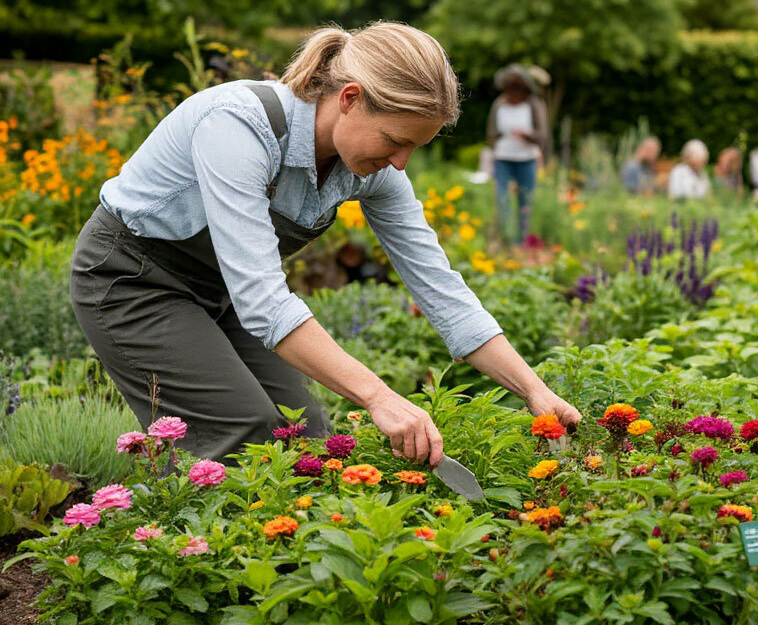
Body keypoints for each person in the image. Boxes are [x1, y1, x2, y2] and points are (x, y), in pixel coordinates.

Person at [70, 23, 580, 465]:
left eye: (414, 148)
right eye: (394, 140)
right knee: (241, 432)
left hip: (223, 291)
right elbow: (263, 300)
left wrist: (535, 391)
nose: (401, 162)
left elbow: (442, 292)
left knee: (305, 434)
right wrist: (379, 397)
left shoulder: (373, 171)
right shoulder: (237, 126)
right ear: (350, 99)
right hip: (133, 281)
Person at [485, 64, 551, 244]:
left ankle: (522, 240)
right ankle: (506, 237)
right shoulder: (499, 104)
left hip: (526, 158)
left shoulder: (533, 104)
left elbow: (542, 135)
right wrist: (494, 149)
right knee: (503, 199)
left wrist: (526, 135)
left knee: (525, 200)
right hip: (503, 157)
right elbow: (491, 133)